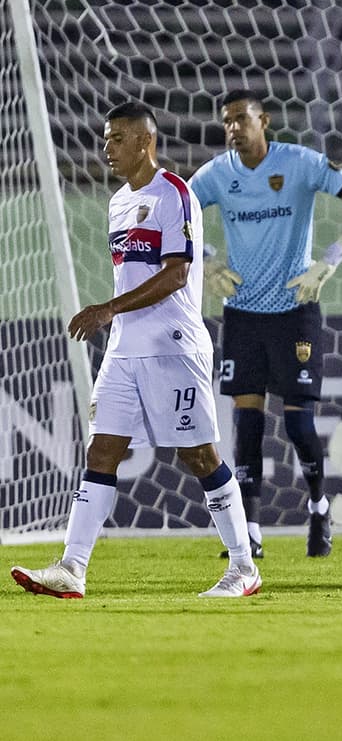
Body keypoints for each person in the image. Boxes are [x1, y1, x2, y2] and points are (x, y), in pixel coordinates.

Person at [10, 102, 259, 599]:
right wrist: (115, 317)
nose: (107, 148)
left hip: (173, 347)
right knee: (102, 449)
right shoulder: (119, 202)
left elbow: (177, 273)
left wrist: (107, 308)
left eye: (117, 138)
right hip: (125, 351)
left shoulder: (174, 195)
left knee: (199, 455)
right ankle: (72, 567)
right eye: (105, 139)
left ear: (146, 142)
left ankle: (243, 567)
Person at [190, 90, 342, 558]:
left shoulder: (299, 162)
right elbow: (179, 214)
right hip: (243, 313)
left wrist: (331, 260)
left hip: (295, 308)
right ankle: (250, 530)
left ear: (264, 120)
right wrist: (209, 260)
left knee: (298, 427)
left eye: (241, 118)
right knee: (247, 423)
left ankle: (318, 506)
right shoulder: (216, 175)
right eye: (227, 121)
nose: (233, 127)